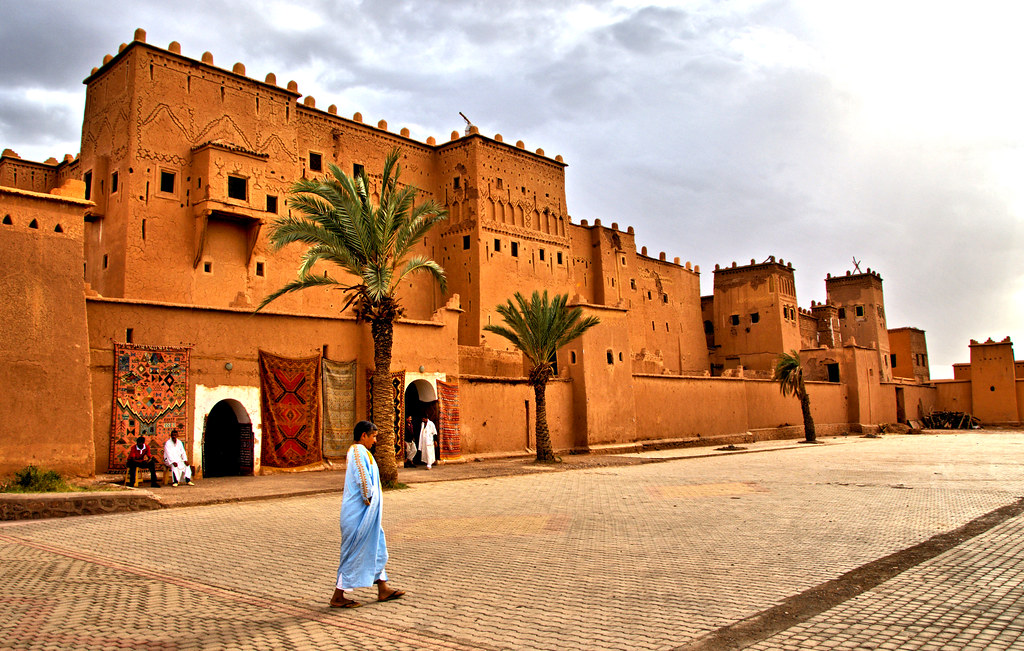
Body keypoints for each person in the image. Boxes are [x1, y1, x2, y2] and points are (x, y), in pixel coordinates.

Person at [330, 420, 405, 609]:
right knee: (353, 552)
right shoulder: (356, 451)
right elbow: (362, 478)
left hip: (368, 515)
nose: (375, 440)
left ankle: (383, 589)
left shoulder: (365, 453)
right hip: (358, 514)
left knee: (377, 548)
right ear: (364, 435)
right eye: (373, 436)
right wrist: (369, 499)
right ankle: (338, 596)